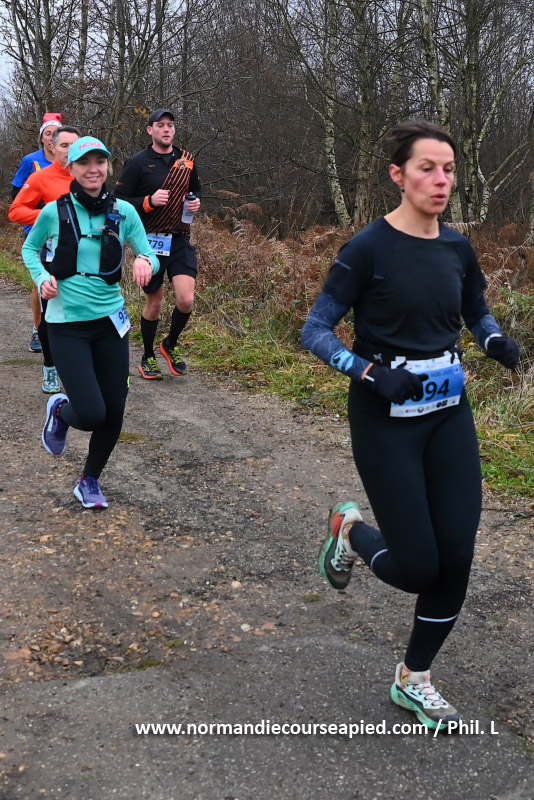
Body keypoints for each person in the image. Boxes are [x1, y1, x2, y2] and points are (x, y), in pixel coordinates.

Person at [301, 119, 519, 731]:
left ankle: (414, 677)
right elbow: (315, 330)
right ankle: (350, 533)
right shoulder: (367, 249)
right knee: (418, 567)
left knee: (457, 556)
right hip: (385, 421)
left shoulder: (457, 248)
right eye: (428, 168)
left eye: (449, 169)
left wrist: (492, 338)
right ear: (398, 175)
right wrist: (367, 372)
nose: (441, 180)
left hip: (448, 414)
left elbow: (474, 308)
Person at [22, 137, 160, 509]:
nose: (93, 169)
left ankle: (90, 480)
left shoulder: (124, 212)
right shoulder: (54, 212)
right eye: (84, 163)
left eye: (100, 161)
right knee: (90, 413)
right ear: (71, 168)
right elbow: (30, 248)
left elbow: (148, 252)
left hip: (110, 323)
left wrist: (144, 261)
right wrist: (41, 277)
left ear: (108, 167)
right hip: (66, 324)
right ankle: (60, 411)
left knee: (114, 409)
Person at [115, 108, 201, 380]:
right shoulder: (137, 163)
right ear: (150, 130)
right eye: (160, 125)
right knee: (155, 302)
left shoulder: (187, 160)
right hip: (149, 240)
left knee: (186, 299)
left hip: (180, 238)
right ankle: (148, 356)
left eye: (170, 125)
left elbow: (195, 190)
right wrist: (148, 201)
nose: (166, 129)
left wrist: (196, 202)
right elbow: (118, 200)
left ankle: (170, 344)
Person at [9, 125, 81, 393]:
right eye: (64, 145)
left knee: (82, 315)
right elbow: (16, 211)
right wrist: (49, 218)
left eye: (74, 145)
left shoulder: (88, 175)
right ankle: (50, 367)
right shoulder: (41, 177)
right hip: (52, 256)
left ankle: (79, 367)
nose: (69, 151)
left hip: (86, 259)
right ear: (52, 147)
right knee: (51, 316)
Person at [12, 114, 63, 353]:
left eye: (55, 133)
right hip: (37, 231)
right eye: (47, 133)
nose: (51, 138)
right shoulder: (31, 161)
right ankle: (37, 328)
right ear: (42, 138)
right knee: (40, 282)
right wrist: (42, 213)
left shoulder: (72, 163)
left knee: (63, 282)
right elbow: (17, 197)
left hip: (65, 233)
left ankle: (63, 329)